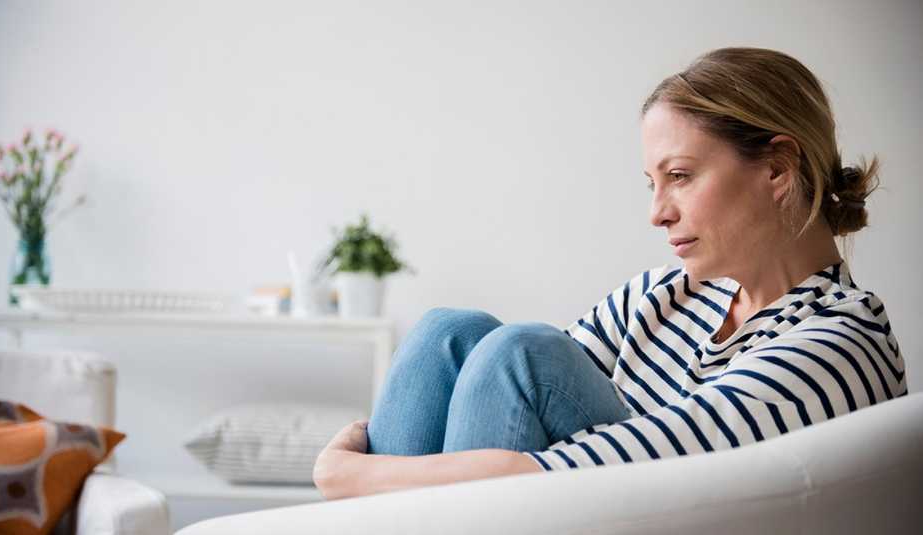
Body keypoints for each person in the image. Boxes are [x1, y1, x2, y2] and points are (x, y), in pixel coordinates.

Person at [312, 47, 907, 499]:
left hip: (644, 508)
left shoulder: (840, 342)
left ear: (777, 169)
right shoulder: (659, 295)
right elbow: (504, 410)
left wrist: (353, 475)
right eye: (653, 184)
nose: (657, 213)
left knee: (522, 353)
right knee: (451, 331)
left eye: (680, 176)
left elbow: (624, 462)